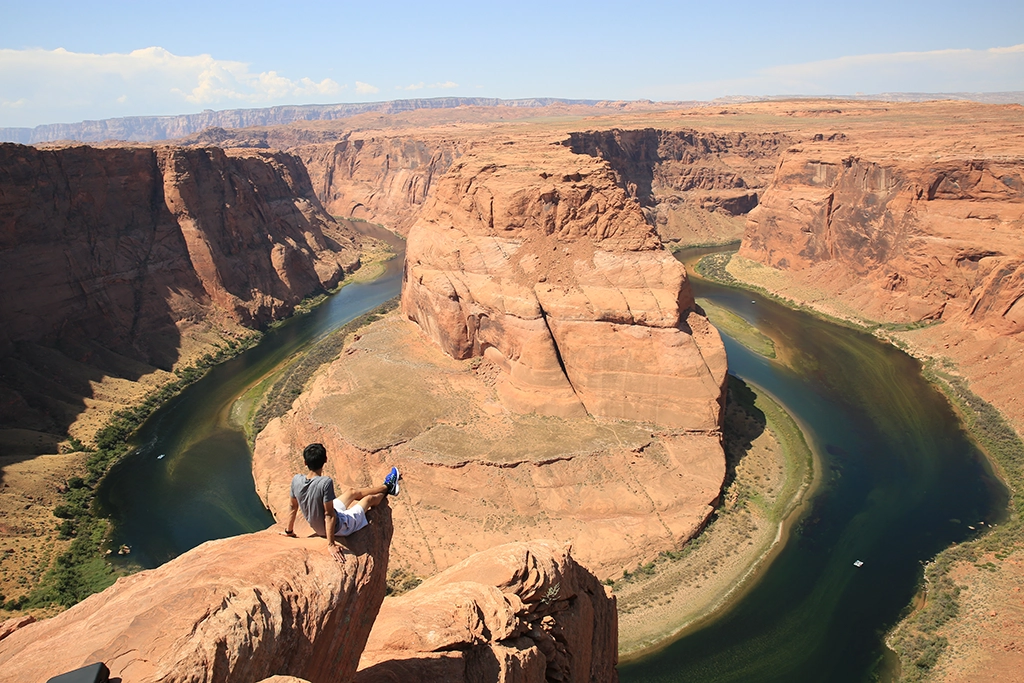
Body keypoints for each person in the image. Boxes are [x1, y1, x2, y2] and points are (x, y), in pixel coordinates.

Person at [282, 443, 400, 555]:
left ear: (305, 462)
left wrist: (289, 531)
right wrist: (331, 544)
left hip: (323, 521)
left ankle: (386, 486)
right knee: (368, 499)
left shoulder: (296, 479)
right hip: (340, 526)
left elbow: (293, 506)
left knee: (351, 492)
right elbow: (329, 515)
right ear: (325, 460)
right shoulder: (325, 482)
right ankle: (389, 488)